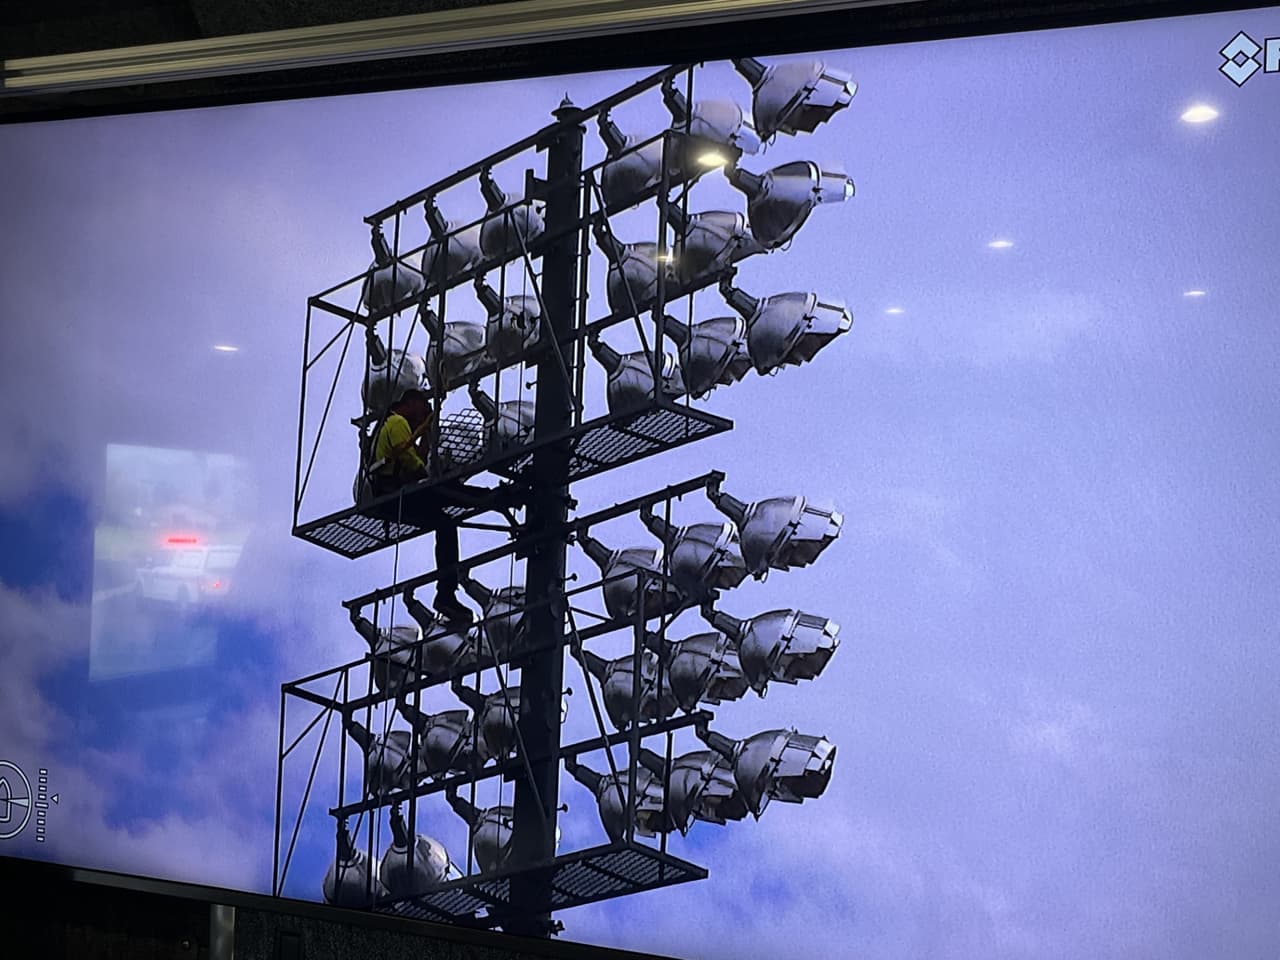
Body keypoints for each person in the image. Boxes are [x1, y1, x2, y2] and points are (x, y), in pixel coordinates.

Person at [368, 387, 483, 623]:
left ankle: (446, 594)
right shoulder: (397, 421)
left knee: (445, 523)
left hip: (395, 496)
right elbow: (413, 464)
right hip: (395, 493)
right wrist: (431, 476)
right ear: (411, 402)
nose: (424, 415)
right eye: (423, 409)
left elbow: (415, 456)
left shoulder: (392, 426)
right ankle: (491, 496)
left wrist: (427, 437)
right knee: (446, 492)